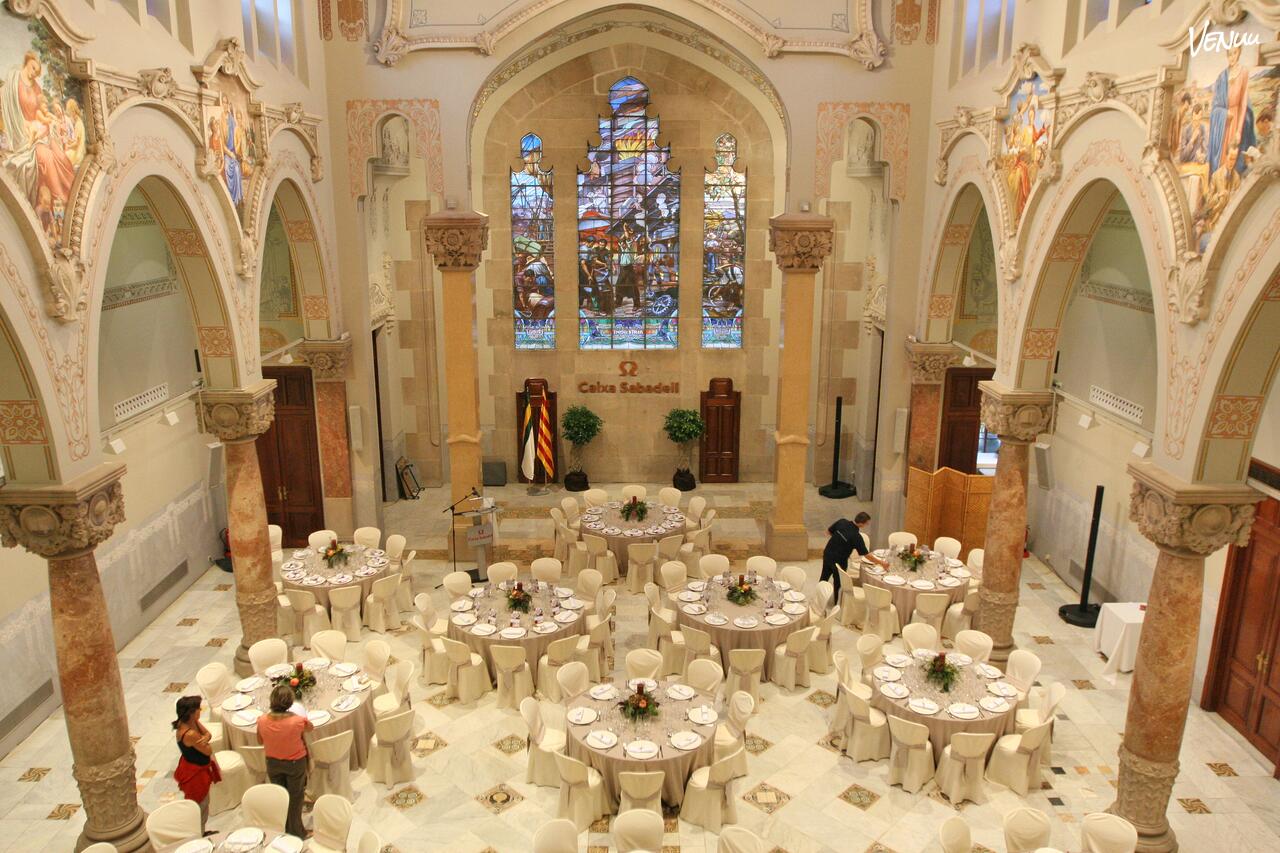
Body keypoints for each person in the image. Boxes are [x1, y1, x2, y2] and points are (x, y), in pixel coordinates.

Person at [256, 685, 313, 838]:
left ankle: (283, 827)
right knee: (295, 797)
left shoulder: (261, 720)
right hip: (295, 763)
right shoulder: (297, 720)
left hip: (272, 762)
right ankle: (297, 831)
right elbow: (310, 728)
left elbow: (260, 740)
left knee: (280, 796)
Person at [172, 695, 220, 834]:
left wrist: (205, 738)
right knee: (200, 806)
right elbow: (208, 750)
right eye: (198, 709)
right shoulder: (190, 733)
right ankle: (198, 835)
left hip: (195, 767)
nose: (200, 710)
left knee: (203, 804)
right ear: (191, 713)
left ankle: (201, 832)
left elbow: (208, 734)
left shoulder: (190, 722)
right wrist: (205, 740)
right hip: (195, 775)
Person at [820, 511, 887, 599]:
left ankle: (819, 596)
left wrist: (839, 540)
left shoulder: (842, 521)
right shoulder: (856, 536)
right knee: (838, 583)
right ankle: (837, 603)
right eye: (867, 523)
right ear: (862, 524)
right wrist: (881, 563)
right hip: (840, 561)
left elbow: (828, 532)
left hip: (828, 553)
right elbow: (866, 555)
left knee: (824, 577)